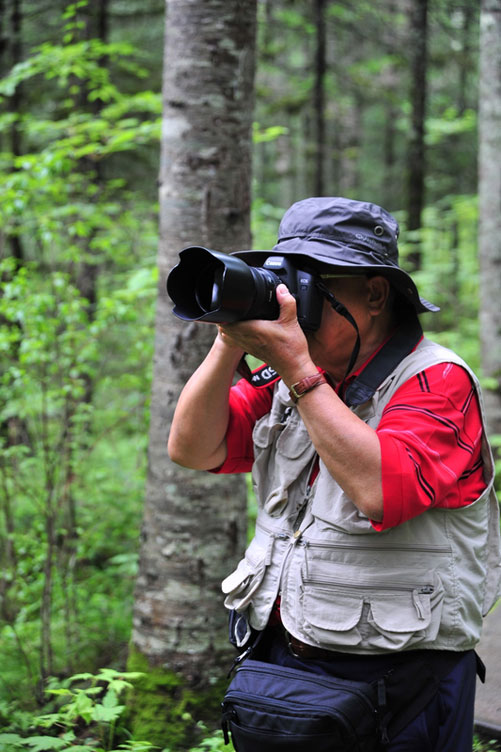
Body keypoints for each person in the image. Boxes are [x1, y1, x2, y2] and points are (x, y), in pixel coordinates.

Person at [167, 197, 501, 751]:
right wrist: (229, 340)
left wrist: (298, 368)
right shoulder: (287, 379)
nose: (292, 302)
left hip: (400, 678)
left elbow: (380, 492)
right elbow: (193, 448)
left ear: (374, 294)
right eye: (285, 280)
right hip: (282, 663)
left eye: (313, 283)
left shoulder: (436, 381)